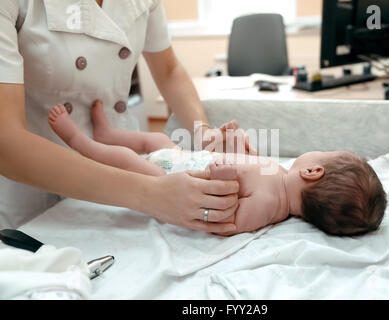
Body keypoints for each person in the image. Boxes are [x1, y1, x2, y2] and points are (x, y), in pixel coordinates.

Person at [0, 0, 254, 230]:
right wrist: (149, 194)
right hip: (40, 175)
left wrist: (203, 133)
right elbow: (7, 141)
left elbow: (169, 70)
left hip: (124, 155)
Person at [48, 102, 387, 236]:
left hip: (172, 180)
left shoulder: (271, 206)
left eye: (324, 153)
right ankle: (108, 133)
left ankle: (78, 140)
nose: (317, 151)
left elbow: (226, 220)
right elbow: (247, 166)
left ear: (313, 172)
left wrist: (221, 176)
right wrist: (234, 144)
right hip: (185, 159)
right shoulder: (278, 175)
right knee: (155, 139)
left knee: (124, 161)